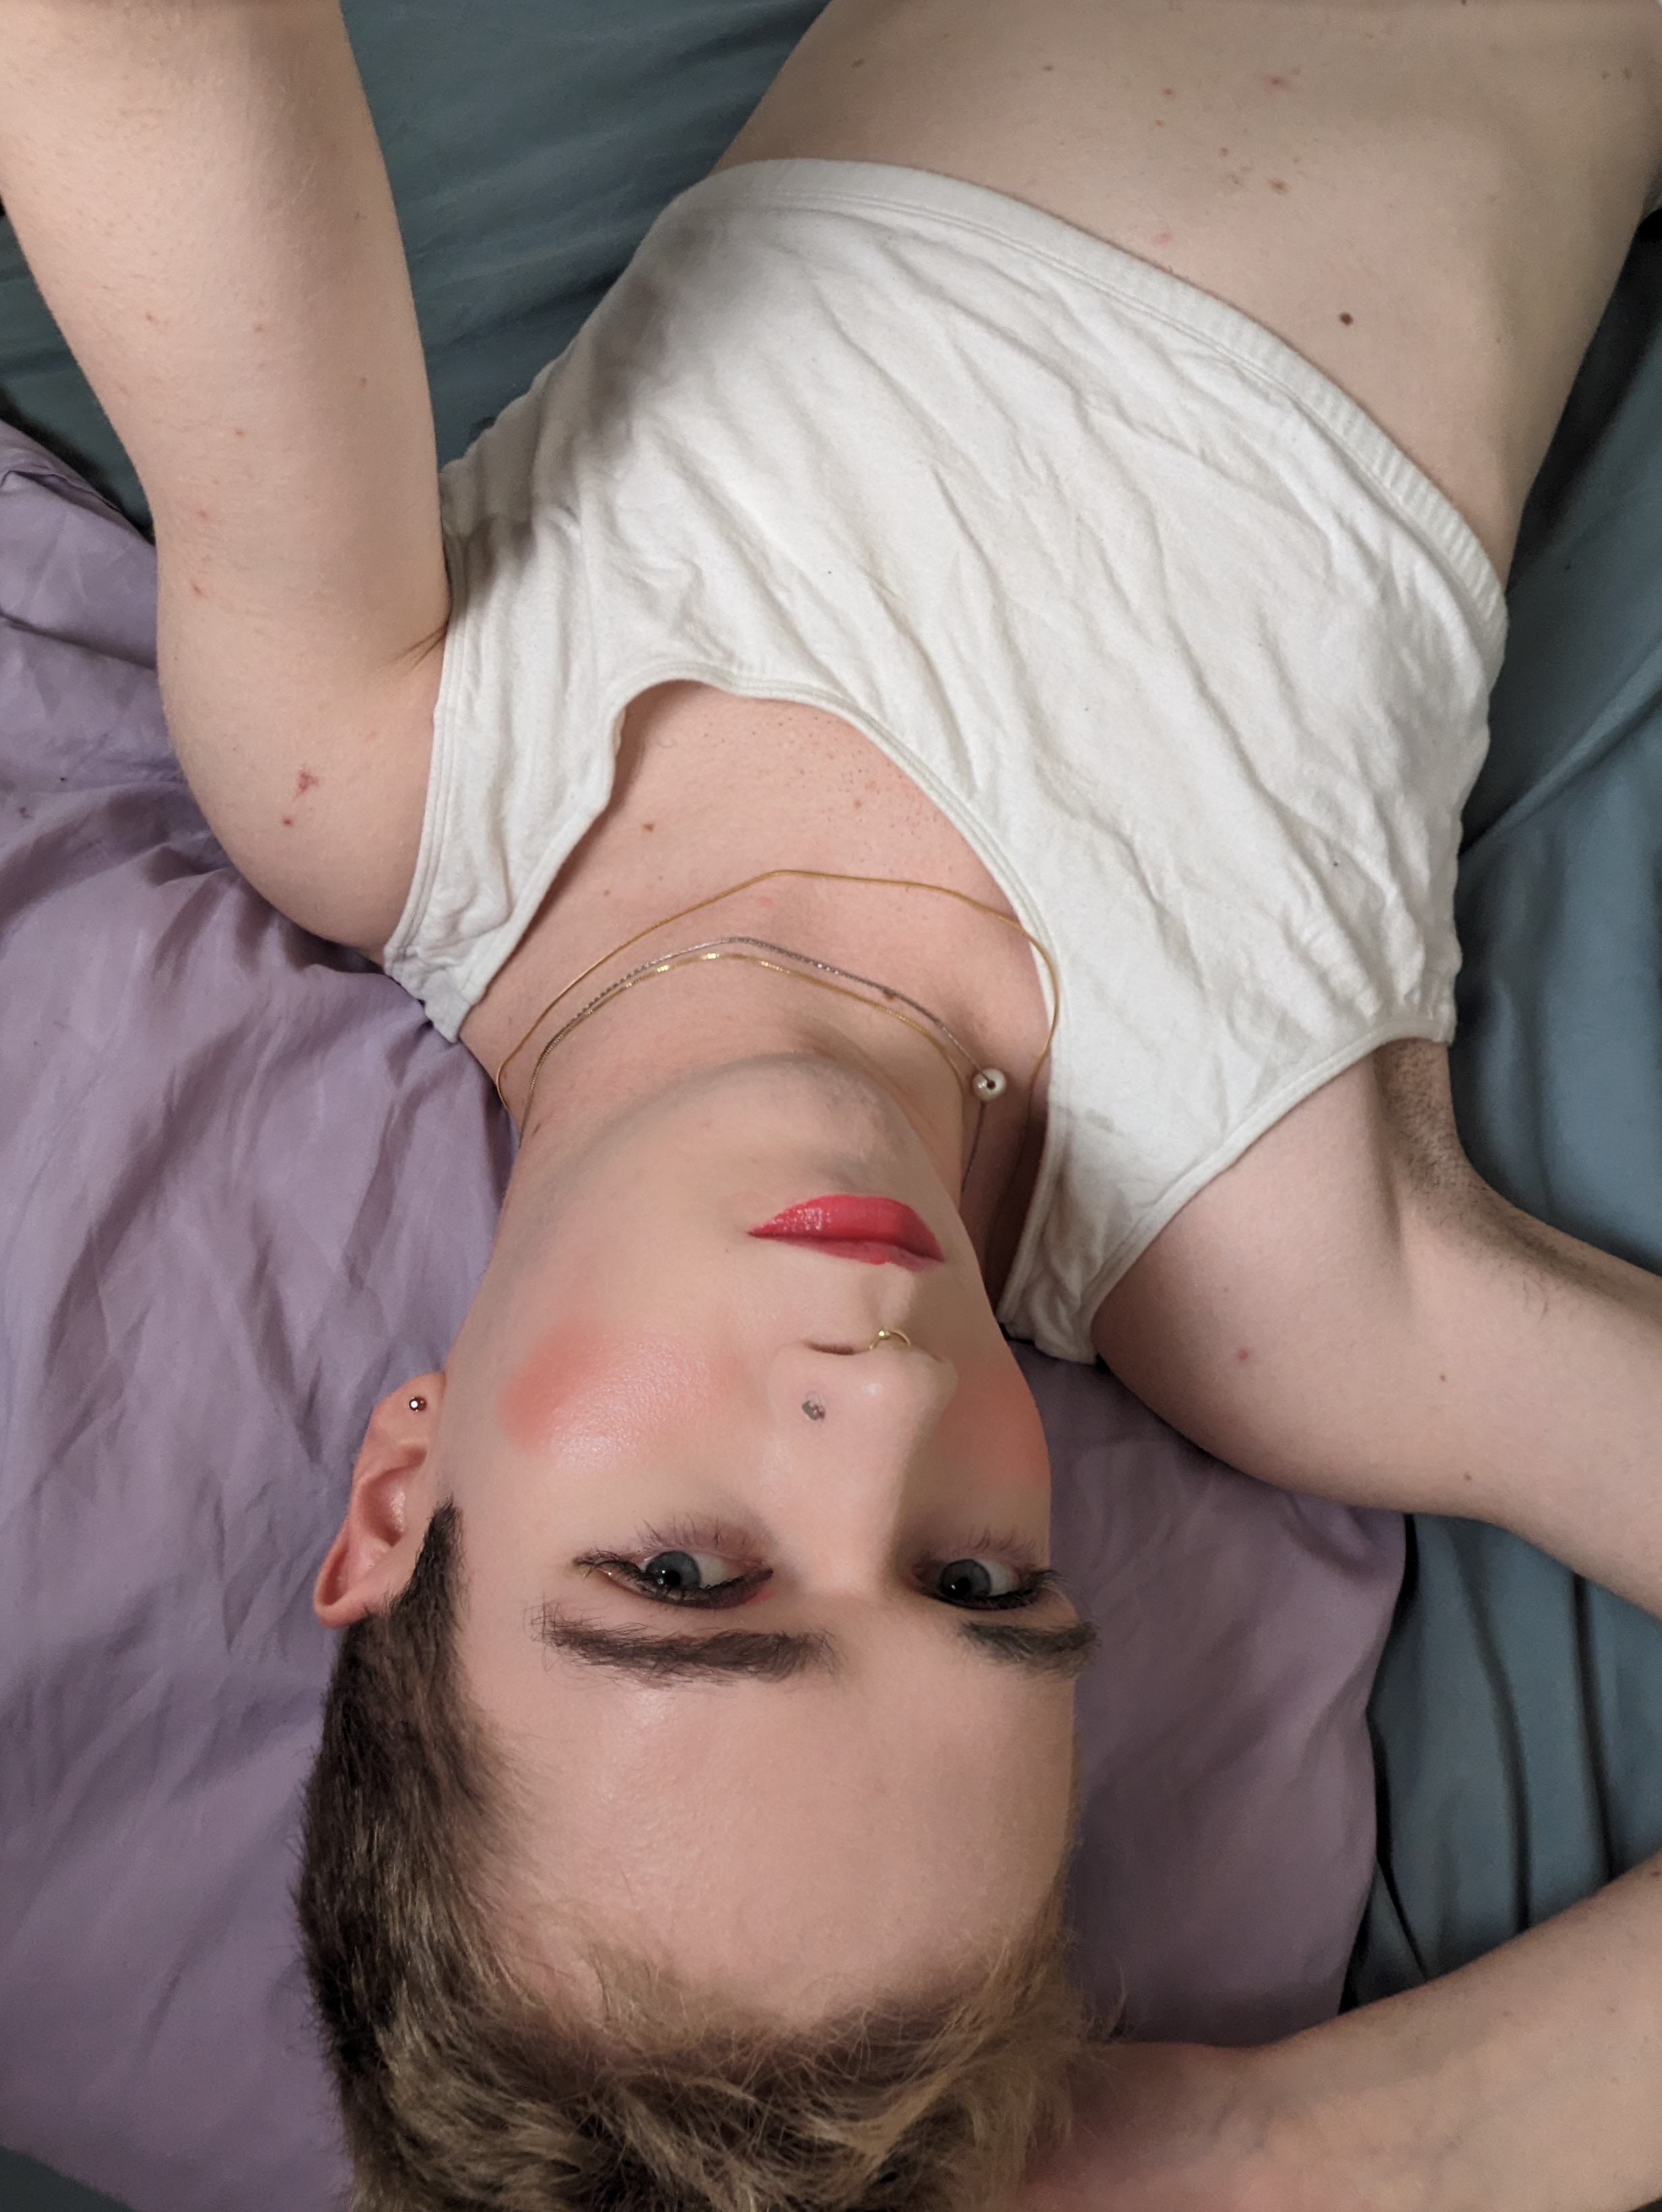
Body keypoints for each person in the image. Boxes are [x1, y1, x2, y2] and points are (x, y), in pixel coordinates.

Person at [4, 1, 1662, 2207]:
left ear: (399, 1497)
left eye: (688, 1572)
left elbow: (162, 67)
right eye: (983, 1583)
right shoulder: (1282, 1276)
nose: (874, 1408)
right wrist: (1286, 2157)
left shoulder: (391, 779)